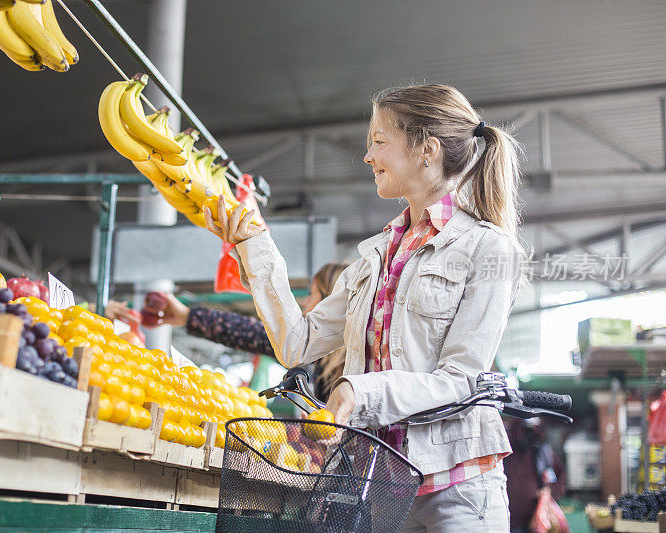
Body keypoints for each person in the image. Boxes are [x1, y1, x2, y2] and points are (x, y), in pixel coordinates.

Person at [205, 84, 527, 532]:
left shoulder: (490, 250)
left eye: (379, 141)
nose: (367, 155)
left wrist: (362, 392)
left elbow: (461, 380)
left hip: (459, 491)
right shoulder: (376, 256)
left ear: (426, 150)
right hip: (383, 490)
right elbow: (298, 343)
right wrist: (254, 246)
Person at [106, 262, 349, 402]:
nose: (305, 303)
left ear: (329, 301)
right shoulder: (315, 355)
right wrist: (187, 316)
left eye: (313, 293)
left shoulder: (356, 367)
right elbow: (250, 333)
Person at [505, 419, 567, 533]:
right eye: (525, 429)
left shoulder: (542, 452)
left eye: (532, 429)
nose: (529, 433)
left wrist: (549, 492)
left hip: (537, 521)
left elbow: (561, 476)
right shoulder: (505, 452)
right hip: (509, 521)